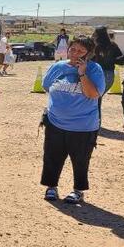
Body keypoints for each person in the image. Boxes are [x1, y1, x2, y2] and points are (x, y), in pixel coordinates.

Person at [39, 35, 105, 204]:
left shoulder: (94, 69)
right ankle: (51, 187)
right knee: (52, 157)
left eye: (81, 51)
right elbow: (46, 86)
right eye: (73, 49)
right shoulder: (58, 67)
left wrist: (82, 73)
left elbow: (93, 94)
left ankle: (78, 190)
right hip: (55, 122)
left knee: (81, 160)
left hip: (83, 126)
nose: (75, 53)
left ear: (89, 53)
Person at [91, 26, 122, 122]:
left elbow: (90, 58)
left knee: (94, 98)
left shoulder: (96, 46)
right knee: (97, 98)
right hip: (109, 75)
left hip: (98, 73)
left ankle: (95, 121)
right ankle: (96, 120)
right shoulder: (113, 45)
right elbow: (120, 59)